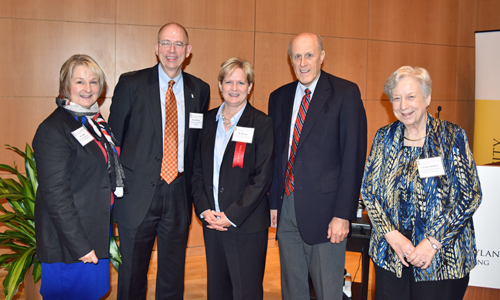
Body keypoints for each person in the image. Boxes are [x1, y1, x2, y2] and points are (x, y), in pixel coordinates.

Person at [361, 66, 482, 300]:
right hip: (392, 255)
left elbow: (470, 196)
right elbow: (369, 192)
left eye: (410, 96)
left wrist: (431, 243)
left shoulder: (451, 137)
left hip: (442, 259)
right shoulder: (384, 137)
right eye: (396, 98)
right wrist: (391, 235)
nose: (403, 105)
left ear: (427, 98)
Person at [108, 22, 210, 299]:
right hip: (137, 193)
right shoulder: (131, 84)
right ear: (156, 48)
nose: (172, 50)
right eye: (166, 43)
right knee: (132, 273)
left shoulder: (200, 90)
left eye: (178, 44)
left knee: (173, 273)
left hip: (178, 192)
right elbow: (113, 141)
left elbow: (197, 145)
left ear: (188, 51)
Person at [268, 33, 367, 299]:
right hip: (287, 207)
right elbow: (277, 155)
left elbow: (353, 158)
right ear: (290, 60)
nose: (303, 62)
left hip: (327, 215)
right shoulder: (279, 97)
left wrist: (343, 213)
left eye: (309, 55)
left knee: (327, 291)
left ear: (322, 56)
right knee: (292, 289)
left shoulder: (345, 93)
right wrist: (274, 204)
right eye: (297, 56)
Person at [33, 54, 124, 300]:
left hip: (93, 229)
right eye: (80, 82)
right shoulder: (53, 129)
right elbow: (55, 195)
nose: (88, 88)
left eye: (94, 82)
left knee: (93, 293)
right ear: (66, 86)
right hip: (70, 242)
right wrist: (80, 246)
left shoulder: (92, 122)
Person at [191, 57, 274, 300]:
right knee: (217, 291)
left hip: (245, 225)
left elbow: (263, 177)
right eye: (229, 82)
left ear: (250, 87)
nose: (234, 88)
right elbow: (196, 171)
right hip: (212, 222)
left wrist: (231, 216)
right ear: (220, 85)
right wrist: (204, 209)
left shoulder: (261, 123)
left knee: (246, 293)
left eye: (241, 82)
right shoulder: (207, 121)